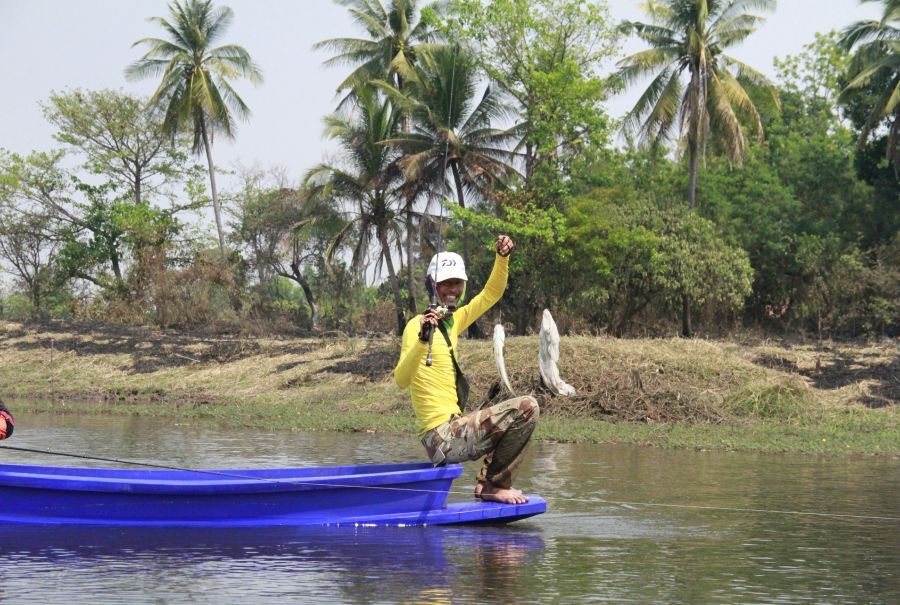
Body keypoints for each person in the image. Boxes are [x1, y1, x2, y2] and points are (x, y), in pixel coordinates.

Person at [394, 235, 539, 504]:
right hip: (441, 437)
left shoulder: (453, 322)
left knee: (524, 413)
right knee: (526, 407)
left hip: (454, 428)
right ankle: (493, 485)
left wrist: (502, 257)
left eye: (457, 283)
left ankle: (489, 483)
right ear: (432, 286)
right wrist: (422, 340)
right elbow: (401, 380)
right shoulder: (416, 326)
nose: (452, 289)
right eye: (445, 283)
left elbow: (491, 294)